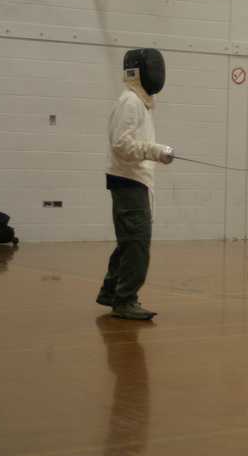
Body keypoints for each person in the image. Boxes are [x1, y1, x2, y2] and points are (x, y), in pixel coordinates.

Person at [97, 49, 175, 320]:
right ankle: (125, 300)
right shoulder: (130, 101)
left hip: (132, 179)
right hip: (128, 180)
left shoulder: (139, 102)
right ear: (140, 72)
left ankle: (111, 292)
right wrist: (156, 151)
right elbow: (121, 145)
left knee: (129, 242)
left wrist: (155, 153)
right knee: (137, 244)